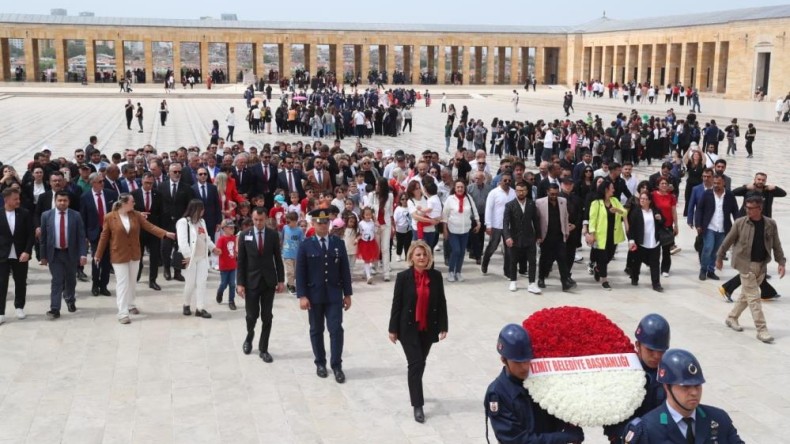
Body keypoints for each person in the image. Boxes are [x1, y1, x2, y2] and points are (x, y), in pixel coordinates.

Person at [484, 324, 585, 443]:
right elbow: (517, 441)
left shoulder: (543, 379)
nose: (525, 367)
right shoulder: (497, 394)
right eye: (518, 362)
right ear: (504, 360)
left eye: (527, 360)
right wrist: (564, 437)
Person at [623, 349, 744, 443]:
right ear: (667, 387)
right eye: (685, 387)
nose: (694, 392)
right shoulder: (647, 429)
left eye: (697, 386)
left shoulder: (719, 419)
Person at [388, 240, 448, 423]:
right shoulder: (403, 277)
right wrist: (392, 329)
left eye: (424, 255)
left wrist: (444, 326)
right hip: (407, 328)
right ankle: (418, 405)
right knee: (415, 364)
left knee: (421, 362)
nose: (422, 258)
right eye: (418, 255)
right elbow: (396, 304)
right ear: (411, 257)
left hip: (428, 328)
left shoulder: (436, 276)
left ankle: (415, 388)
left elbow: (441, 302)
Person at [95, 193, 174, 324]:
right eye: (132, 201)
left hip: (134, 254)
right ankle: (122, 312)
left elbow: (150, 227)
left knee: (132, 281)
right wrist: (98, 254)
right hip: (119, 254)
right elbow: (104, 237)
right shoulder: (109, 217)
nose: (134, 203)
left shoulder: (136, 215)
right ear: (124, 203)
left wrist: (165, 233)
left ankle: (131, 304)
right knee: (122, 283)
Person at [717, 195, 785, 344]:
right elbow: (727, 240)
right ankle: (762, 330)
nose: (747, 210)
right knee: (754, 299)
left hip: (761, 266)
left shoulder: (770, 224)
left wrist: (781, 262)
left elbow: (776, 245)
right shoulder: (740, 223)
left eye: (750, 208)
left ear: (759, 208)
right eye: (746, 207)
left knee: (745, 297)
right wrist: (719, 257)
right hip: (745, 264)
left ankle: (732, 317)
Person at [295, 209, 353, 383]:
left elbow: (345, 270)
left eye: (325, 222)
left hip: (334, 294)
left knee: (336, 329)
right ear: (313, 224)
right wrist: (302, 296)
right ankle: (320, 362)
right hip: (314, 295)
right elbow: (301, 272)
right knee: (316, 329)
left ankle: (337, 365)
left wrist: (348, 294)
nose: (323, 225)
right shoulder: (306, 244)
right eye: (319, 222)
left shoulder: (338, 243)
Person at [604, 313, 670, 440]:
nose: (656, 356)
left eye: (661, 351)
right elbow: (611, 420)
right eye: (650, 350)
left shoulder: (669, 373)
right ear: (637, 346)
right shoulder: (624, 373)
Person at [237, 206, 285, 362]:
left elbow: (278, 258)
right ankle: (249, 335)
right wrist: (240, 283)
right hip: (251, 282)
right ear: (252, 219)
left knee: (267, 316)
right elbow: (241, 262)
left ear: (266, 219)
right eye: (255, 220)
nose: (258, 223)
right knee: (251, 315)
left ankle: (263, 348)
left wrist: (281, 280)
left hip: (268, 281)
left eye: (261, 220)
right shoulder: (244, 235)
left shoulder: (272, 235)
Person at [177, 199, 222, 319]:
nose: (203, 211)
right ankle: (186, 304)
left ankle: (200, 308)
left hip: (202, 257)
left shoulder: (202, 222)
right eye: (201, 209)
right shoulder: (183, 222)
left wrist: (213, 248)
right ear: (195, 209)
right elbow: (182, 241)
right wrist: (187, 256)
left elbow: (206, 237)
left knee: (202, 283)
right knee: (190, 283)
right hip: (190, 259)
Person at [0, 188, 35, 323]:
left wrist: (27, 251)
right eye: (15, 199)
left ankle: (19, 306)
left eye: (18, 198)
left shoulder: (24, 213)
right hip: (2, 255)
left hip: (21, 254)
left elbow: (30, 235)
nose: (18, 201)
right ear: (6, 200)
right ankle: (1, 312)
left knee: (20, 281)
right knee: (1, 283)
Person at [80, 173, 118, 297]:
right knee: (97, 260)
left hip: (110, 232)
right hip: (95, 233)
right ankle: (95, 285)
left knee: (107, 262)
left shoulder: (111, 194)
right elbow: (83, 218)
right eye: (100, 181)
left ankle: (104, 286)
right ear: (92, 183)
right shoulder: (85, 197)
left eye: (103, 181)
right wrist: (85, 236)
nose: (103, 183)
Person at [695, 175, 738, 281]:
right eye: (714, 183)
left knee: (716, 251)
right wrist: (698, 224)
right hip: (709, 227)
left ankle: (711, 270)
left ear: (724, 183)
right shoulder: (707, 194)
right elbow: (699, 209)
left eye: (718, 183)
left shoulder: (730, 195)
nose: (715, 185)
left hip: (723, 228)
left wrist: (738, 225)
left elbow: (735, 211)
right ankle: (703, 270)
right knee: (708, 248)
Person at [586, 179, 627, 290]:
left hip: (613, 235)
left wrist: (618, 210)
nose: (614, 189)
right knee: (603, 258)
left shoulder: (615, 200)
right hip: (601, 236)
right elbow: (592, 220)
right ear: (606, 189)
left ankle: (598, 269)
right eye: (612, 188)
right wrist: (592, 234)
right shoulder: (596, 203)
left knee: (609, 256)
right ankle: (604, 280)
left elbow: (625, 212)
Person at [536, 183, 575, 292]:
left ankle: (564, 282)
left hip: (559, 235)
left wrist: (566, 232)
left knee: (562, 259)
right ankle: (541, 278)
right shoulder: (539, 202)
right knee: (545, 259)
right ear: (547, 192)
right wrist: (538, 236)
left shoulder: (563, 201)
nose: (554, 196)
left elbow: (565, 217)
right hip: (546, 236)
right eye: (552, 194)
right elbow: (536, 220)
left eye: (556, 194)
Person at [627, 192, 665, 292]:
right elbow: (632, 228)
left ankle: (656, 284)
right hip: (641, 243)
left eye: (644, 199)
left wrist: (660, 219)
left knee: (655, 264)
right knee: (637, 262)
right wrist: (631, 241)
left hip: (654, 243)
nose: (642, 200)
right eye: (641, 199)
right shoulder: (636, 212)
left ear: (649, 201)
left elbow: (663, 223)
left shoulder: (655, 211)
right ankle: (634, 277)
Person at [481, 171, 516, 276]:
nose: (507, 182)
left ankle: (507, 271)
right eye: (505, 180)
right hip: (496, 225)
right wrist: (488, 225)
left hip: (509, 226)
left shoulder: (513, 193)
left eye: (509, 180)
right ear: (500, 181)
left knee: (509, 249)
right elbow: (488, 209)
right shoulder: (494, 193)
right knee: (493, 246)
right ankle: (485, 262)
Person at [215, 219, 238, 310]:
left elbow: (236, 250)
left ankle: (231, 301)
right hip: (224, 266)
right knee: (224, 284)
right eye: (230, 227)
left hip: (233, 266)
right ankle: (220, 292)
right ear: (224, 229)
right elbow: (218, 250)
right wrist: (218, 251)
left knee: (232, 284)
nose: (232, 229)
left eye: (233, 227)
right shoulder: (221, 239)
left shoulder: (234, 238)